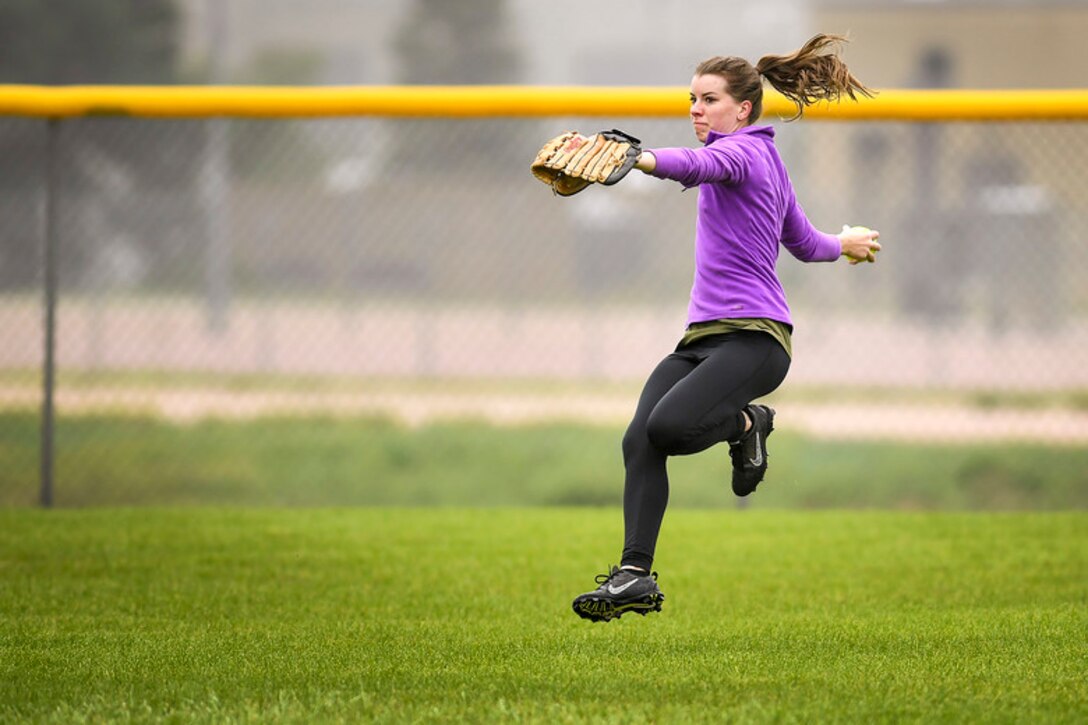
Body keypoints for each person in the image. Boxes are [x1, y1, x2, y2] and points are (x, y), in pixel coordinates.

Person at [572, 34, 882, 623]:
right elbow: (805, 242)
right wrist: (846, 244)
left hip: (756, 340)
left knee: (667, 426)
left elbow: (703, 164)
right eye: (691, 99)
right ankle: (634, 575)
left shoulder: (746, 153)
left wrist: (637, 159)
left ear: (743, 109)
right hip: (702, 340)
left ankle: (748, 422)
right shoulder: (766, 162)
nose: (695, 109)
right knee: (639, 439)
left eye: (708, 100)